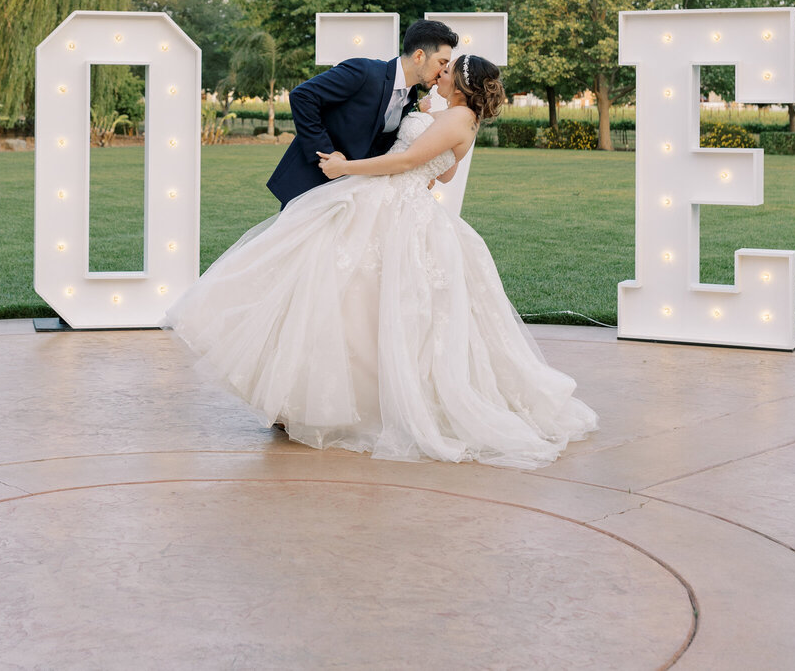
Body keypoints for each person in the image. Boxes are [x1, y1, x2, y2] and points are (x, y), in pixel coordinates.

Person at [167, 53, 597, 469]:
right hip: (400, 202)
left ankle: (330, 399)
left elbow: (410, 160)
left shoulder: (455, 118)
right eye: (440, 65)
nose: (440, 73)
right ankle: (317, 397)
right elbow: (442, 173)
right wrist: (423, 129)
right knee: (356, 300)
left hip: (393, 206)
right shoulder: (460, 119)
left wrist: (345, 166)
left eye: (448, 69)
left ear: (462, 83)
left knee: (346, 295)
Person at [265, 19, 456, 207]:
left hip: (353, 194)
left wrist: (416, 175)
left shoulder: (411, 97)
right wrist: (328, 155)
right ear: (419, 56)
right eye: (441, 62)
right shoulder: (364, 71)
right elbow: (303, 96)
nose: (442, 72)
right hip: (313, 182)